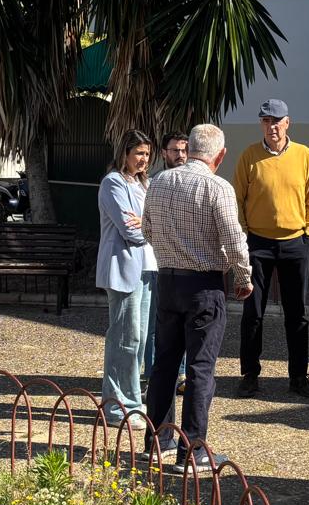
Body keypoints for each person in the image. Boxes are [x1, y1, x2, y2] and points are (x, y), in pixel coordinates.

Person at [142, 123, 253, 471]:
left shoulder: (159, 181)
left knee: (164, 364)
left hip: (168, 279)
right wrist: (244, 275)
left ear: (188, 149)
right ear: (219, 155)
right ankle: (193, 450)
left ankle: (157, 442)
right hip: (203, 285)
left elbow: (146, 229)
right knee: (200, 367)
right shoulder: (217, 186)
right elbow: (234, 239)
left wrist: (169, 251)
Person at [234, 99, 309, 399]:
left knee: (296, 312)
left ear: (288, 123)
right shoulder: (249, 156)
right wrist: (244, 235)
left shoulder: (304, 155)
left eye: (277, 120)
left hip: (295, 242)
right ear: (261, 124)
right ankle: (249, 374)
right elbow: (237, 198)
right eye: (266, 120)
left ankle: (298, 376)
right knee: (252, 311)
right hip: (258, 243)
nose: (272, 126)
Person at [96, 131, 157, 428]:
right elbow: (129, 229)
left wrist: (147, 223)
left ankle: (126, 399)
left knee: (139, 339)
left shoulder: (144, 183)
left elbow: (151, 222)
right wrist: (151, 225)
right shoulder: (113, 183)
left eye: (147, 154)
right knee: (124, 338)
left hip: (147, 267)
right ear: (125, 153)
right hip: (123, 268)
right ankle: (119, 406)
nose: (144, 159)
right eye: (139, 154)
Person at [143, 132, 190, 392]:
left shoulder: (191, 182)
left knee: (182, 323)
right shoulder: (155, 183)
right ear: (164, 153)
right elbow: (145, 225)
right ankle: (154, 375)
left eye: (184, 150)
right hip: (159, 261)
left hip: (185, 263)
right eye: (174, 150)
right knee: (156, 324)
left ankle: (181, 375)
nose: (180, 155)